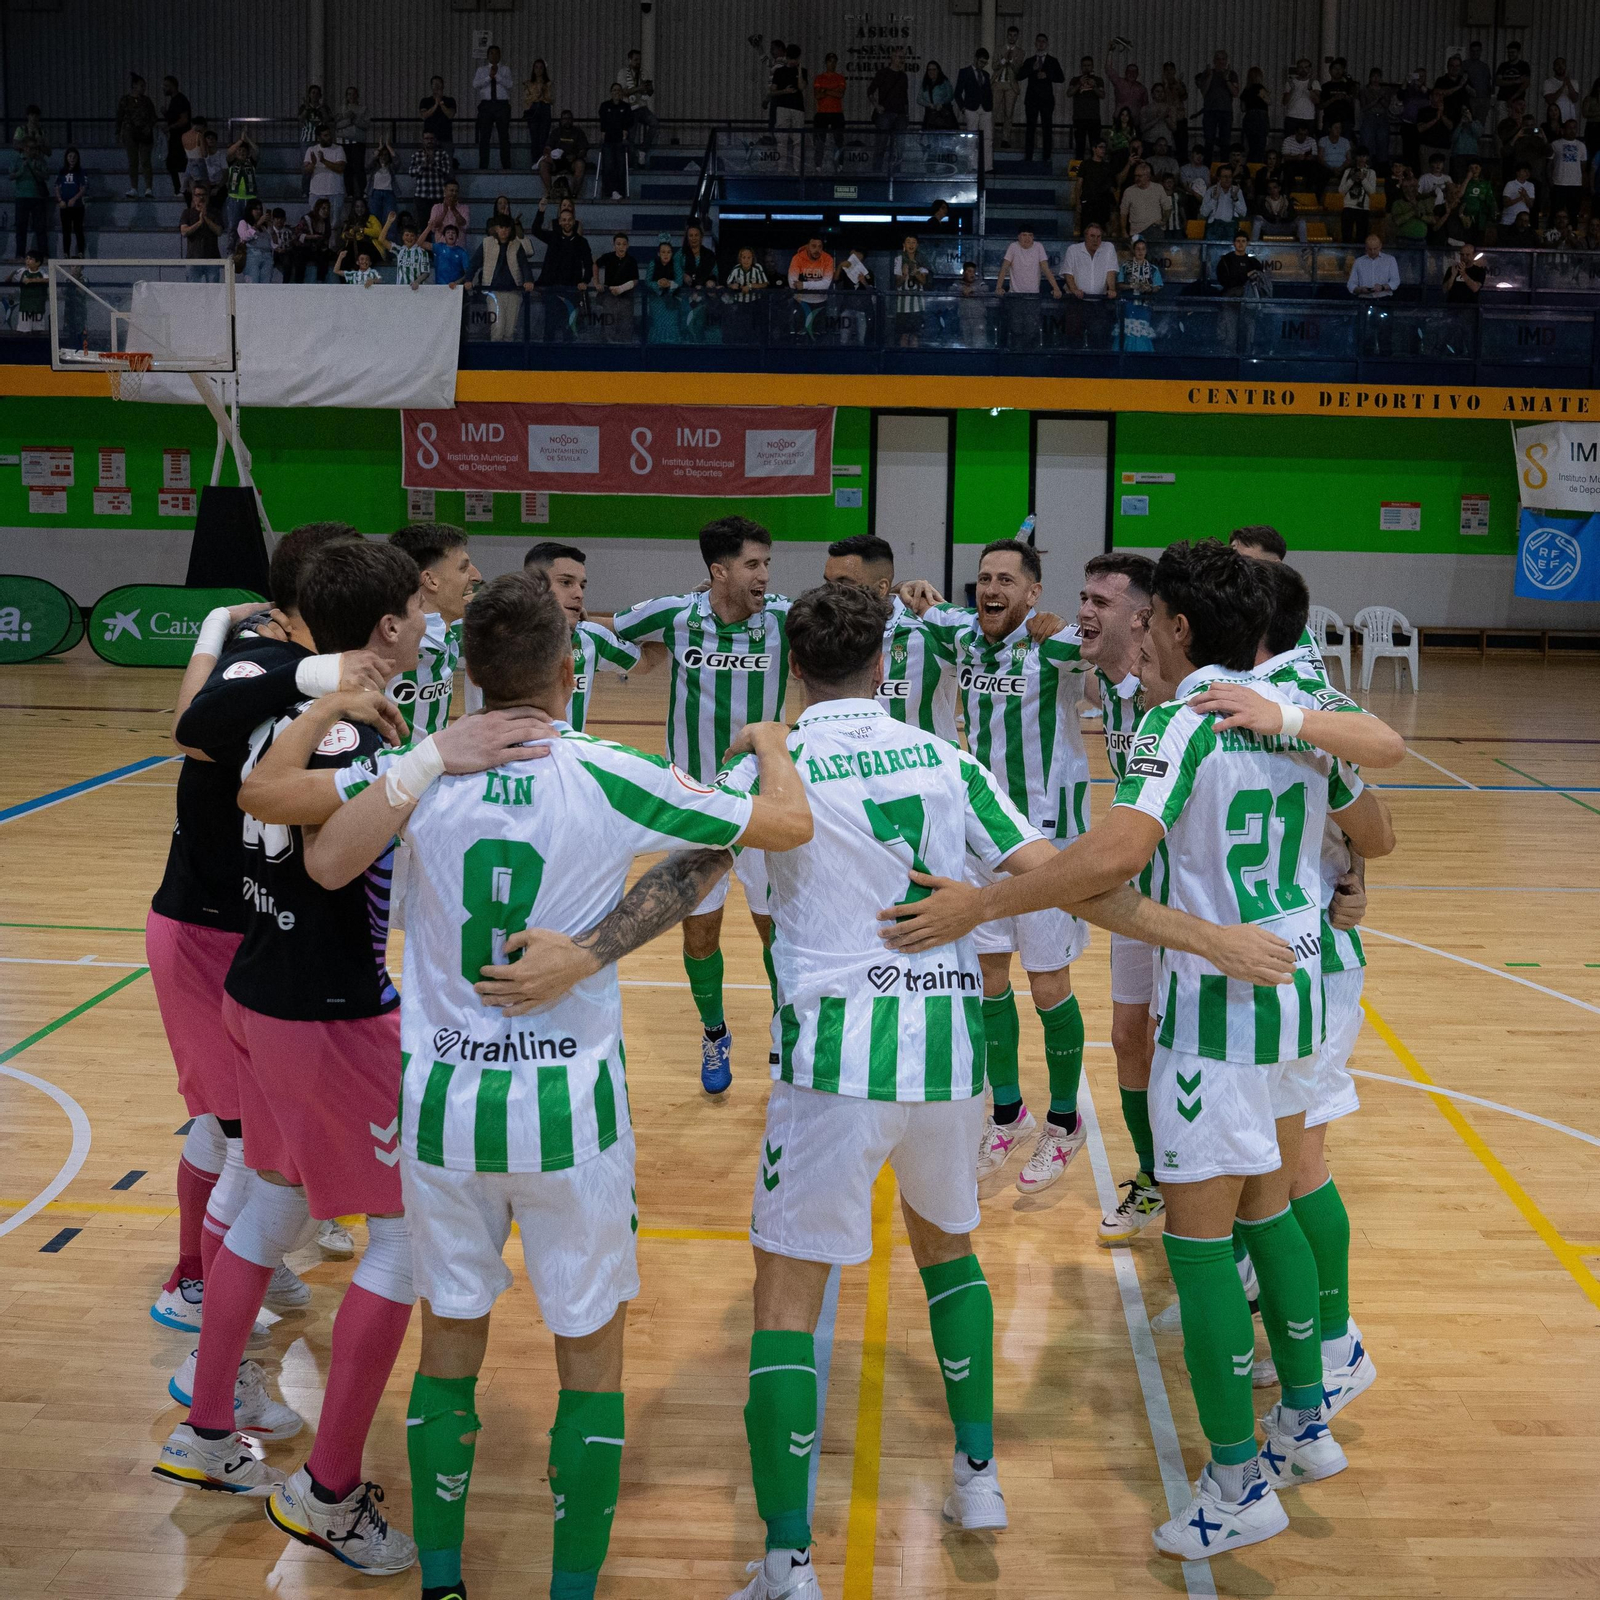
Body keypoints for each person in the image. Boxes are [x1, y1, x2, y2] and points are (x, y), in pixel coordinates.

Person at [882, 538, 1402, 1560]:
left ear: (1174, 624)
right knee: (1273, 1207)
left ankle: (1234, 1479)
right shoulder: (1290, 714)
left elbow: (1113, 855)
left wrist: (984, 899)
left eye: (1150, 612)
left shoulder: (1185, 722)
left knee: (1200, 1247)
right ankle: (1305, 1420)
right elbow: (1373, 831)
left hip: (1216, 1004)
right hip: (1293, 985)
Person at [301, 567, 808, 1600]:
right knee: (590, 1362)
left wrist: (430, 755)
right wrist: (590, 950)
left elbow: (324, 864)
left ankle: (443, 1584)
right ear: (569, 671)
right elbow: (769, 830)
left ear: (471, 674)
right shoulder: (606, 770)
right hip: (569, 1120)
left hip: (444, 1113)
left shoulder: (422, 771)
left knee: (450, 1345)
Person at [148, 540, 435, 1568]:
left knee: (269, 1197)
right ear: (390, 627)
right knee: (406, 1237)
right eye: (418, 602)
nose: (431, 612)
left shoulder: (281, 708)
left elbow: (224, 750)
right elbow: (326, 843)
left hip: (256, 991)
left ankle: (209, 1430)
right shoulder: (354, 731)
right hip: (329, 1013)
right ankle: (328, 1494)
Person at [901, 542, 1095, 1192]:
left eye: (1006, 580)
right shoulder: (965, 636)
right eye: (984, 579)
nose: (992, 588)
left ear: (1032, 593)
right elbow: (924, 611)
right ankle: (1008, 1112)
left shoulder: (1053, 647)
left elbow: (1100, 655)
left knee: (1047, 989)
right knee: (988, 980)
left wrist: (1070, 624)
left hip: (1043, 843)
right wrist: (916, 592)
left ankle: (1065, 1123)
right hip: (980, 837)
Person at [608, 520, 797, 1093]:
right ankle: (715, 1032)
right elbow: (607, 629)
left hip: (764, 801)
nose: (764, 575)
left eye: (767, 563)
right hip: (694, 803)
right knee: (700, 936)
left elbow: (862, 625)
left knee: (775, 930)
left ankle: (784, 1027)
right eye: (752, 565)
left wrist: (907, 593)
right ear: (719, 572)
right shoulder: (674, 614)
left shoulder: (787, 618)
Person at [823, 535, 958, 741]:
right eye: (828, 583)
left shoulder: (928, 633)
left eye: (844, 583)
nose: (832, 594)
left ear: (881, 587)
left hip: (923, 770)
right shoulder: (823, 632)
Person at [521, 542, 663, 725]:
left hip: (566, 753)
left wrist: (677, 620)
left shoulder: (591, 638)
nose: (579, 593)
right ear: (532, 585)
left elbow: (646, 661)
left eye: (582, 586)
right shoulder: (488, 635)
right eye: (566, 582)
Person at [530, 196, 593, 340]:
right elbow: (535, 230)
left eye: (569, 220)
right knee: (550, 325)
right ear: (559, 222)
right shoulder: (553, 237)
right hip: (552, 288)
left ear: (574, 222)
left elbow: (588, 264)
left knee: (569, 326)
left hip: (572, 289)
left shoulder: (582, 242)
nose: (567, 223)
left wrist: (585, 280)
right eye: (564, 220)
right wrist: (541, 210)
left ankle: (568, 357)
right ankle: (547, 357)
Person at [469, 216, 536, 340]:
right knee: (497, 328)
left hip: (513, 291)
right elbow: (474, 263)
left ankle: (506, 358)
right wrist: (468, 279)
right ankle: (495, 357)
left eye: (507, 228)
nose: (504, 230)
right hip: (493, 291)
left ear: (511, 229)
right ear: (495, 229)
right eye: (501, 227)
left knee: (510, 331)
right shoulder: (486, 243)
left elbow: (524, 265)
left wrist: (528, 280)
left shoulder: (517, 245)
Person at [996, 224, 1062, 349]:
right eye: (1024, 235)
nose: (1027, 238)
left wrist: (1056, 288)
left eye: (1030, 235)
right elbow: (1004, 267)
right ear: (1018, 237)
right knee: (1016, 329)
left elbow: (1046, 269)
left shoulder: (1038, 247)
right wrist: (999, 287)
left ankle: (1029, 356)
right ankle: (1017, 356)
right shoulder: (1013, 247)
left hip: (1033, 297)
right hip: (1015, 296)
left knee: (1031, 329)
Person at [1021, 34, 1065, 162]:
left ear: (1047, 44)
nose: (1041, 44)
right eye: (1039, 41)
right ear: (1035, 43)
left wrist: (1047, 75)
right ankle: (1028, 156)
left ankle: (1047, 156)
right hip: (1032, 99)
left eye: (1043, 41)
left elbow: (1061, 78)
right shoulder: (1030, 61)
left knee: (1047, 128)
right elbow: (1019, 76)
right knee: (1030, 128)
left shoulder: (1052, 61)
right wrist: (1031, 69)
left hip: (1046, 99)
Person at [593, 231, 641, 341]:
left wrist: (621, 288)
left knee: (626, 324)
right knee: (608, 324)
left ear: (628, 246)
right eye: (618, 244)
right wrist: (596, 282)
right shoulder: (608, 257)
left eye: (624, 244)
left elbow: (635, 280)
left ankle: (624, 348)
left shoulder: (631, 260)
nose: (621, 247)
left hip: (626, 297)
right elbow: (595, 264)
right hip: (609, 296)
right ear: (614, 245)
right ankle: (608, 348)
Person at [117, 72, 158, 198]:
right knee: (133, 161)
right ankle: (134, 187)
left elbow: (153, 117)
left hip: (144, 133)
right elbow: (119, 117)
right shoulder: (125, 100)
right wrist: (119, 133)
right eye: (141, 85)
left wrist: (148, 127)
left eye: (144, 86)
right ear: (134, 85)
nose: (143, 88)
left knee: (145, 161)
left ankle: (148, 188)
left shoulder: (146, 101)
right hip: (130, 133)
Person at [473, 43, 514, 170]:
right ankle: (483, 165)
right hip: (486, 104)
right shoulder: (481, 70)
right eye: (491, 53)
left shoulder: (505, 69)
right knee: (484, 136)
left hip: (501, 104)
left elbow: (509, 84)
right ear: (487, 55)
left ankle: (506, 165)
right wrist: (488, 77)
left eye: (496, 53)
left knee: (504, 136)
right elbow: (476, 84)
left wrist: (497, 76)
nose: (494, 55)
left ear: (500, 55)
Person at [1118, 238, 1162, 351]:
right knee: (1127, 330)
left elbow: (1157, 286)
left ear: (1146, 251)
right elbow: (1119, 284)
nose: (1140, 252)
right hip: (1128, 304)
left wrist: (1149, 288)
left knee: (1142, 331)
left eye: (1143, 249)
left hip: (1145, 305)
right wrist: (1131, 286)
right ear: (1133, 250)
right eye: (1138, 249)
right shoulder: (1125, 267)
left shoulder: (1153, 269)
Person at [868, 46, 912, 160]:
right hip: (886, 113)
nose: (901, 60)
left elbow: (905, 96)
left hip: (900, 114)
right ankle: (877, 173)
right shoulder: (883, 73)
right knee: (881, 145)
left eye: (903, 57)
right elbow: (870, 91)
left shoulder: (903, 76)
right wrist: (876, 106)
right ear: (892, 57)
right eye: (899, 57)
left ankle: (897, 173)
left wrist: (906, 115)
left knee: (900, 148)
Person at [1196, 50, 1239, 161]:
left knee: (1225, 141)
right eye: (1218, 59)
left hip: (1226, 112)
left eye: (1223, 59)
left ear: (1226, 61)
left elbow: (1235, 93)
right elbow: (1203, 92)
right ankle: (1207, 166)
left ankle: (1224, 166)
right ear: (1214, 61)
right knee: (1209, 140)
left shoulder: (1232, 74)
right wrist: (1209, 76)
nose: (1221, 62)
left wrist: (1227, 79)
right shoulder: (1208, 73)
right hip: (1210, 111)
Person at [955, 49, 994, 167]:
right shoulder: (964, 72)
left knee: (987, 138)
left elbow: (988, 93)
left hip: (985, 108)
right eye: (981, 62)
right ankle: (972, 165)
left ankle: (987, 166)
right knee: (971, 138)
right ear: (975, 59)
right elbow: (957, 92)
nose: (983, 65)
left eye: (985, 63)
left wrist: (990, 107)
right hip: (971, 108)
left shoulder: (986, 74)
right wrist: (963, 108)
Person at [539, 110, 590, 199]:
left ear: (572, 120)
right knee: (543, 164)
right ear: (561, 120)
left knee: (580, 165)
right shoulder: (555, 132)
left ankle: (574, 194)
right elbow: (548, 148)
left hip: (572, 161)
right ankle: (550, 192)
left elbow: (583, 150)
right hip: (557, 161)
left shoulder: (578, 132)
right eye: (565, 118)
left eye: (569, 118)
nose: (567, 121)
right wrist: (550, 155)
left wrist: (576, 156)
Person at [409, 129, 458, 217]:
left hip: (438, 196)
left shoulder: (442, 154)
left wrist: (434, 163)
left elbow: (446, 171)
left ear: (435, 140)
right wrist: (423, 166)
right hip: (421, 195)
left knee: (438, 224)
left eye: (431, 138)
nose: (429, 141)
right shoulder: (417, 155)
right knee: (424, 225)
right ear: (423, 140)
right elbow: (411, 172)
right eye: (427, 138)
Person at [597, 82, 634, 198]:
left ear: (621, 92)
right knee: (608, 166)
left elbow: (628, 122)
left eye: (618, 90)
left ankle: (620, 191)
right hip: (608, 140)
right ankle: (608, 191)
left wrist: (625, 131)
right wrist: (602, 135)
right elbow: (603, 121)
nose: (616, 92)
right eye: (614, 90)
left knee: (621, 166)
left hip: (620, 140)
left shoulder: (626, 107)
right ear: (611, 92)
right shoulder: (605, 106)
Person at [1549, 119, 1588, 222]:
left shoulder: (1581, 146)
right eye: (1569, 128)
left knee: (1573, 214)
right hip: (1559, 183)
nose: (1572, 130)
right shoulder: (1555, 144)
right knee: (1555, 212)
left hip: (1575, 184)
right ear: (1563, 129)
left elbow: (1583, 166)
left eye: (1574, 128)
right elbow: (1549, 164)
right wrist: (1550, 182)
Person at [892, 233, 928, 346]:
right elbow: (897, 283)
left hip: (918, 304)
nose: (911, 245)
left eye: (913, 242)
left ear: (917, 245)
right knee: (903, 335)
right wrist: (903, 274)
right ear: (904, 244)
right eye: (908, 242)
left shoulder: (922, 259)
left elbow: (924, 281)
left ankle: (913, 359)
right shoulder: (898, 259)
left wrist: (915, 271)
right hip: (902, 305)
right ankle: (903, 358)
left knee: (915, 335)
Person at [1068, 53, 1105, 160]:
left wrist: (1094, 86)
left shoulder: (1098, 80)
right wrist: (1079, 84)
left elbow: (1102, 95)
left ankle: (1095, 170)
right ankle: (1078, 171)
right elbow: (1069, 93)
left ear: (1092, 67)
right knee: (1080, 146)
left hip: (1094, 118)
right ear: (1081, 67)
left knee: (1095, 146)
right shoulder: (1075, 80)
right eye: (1084, 65)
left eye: (1089, 65)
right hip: (1079, 118)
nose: (1086, 68)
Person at [813, 52, 848, 165]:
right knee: (819, 140)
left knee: (839, 140)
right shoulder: (819, 78)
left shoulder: (840, 78)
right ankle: (818, 165)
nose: (832, 64)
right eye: (829, 61)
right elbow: (817, 95)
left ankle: (839, 164)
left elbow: (840, 94)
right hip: (822, 112)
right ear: (826, 62)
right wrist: (833, 90)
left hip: (836, 112)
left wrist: (825, 90)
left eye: (834, 62)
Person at [1075, 137, 1115, 232]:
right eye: (1101, 147)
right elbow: (1079, 185)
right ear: (1094, 148)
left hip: (1103, 204)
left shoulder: (1107, 166)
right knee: (1086, 230)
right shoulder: (1085, 164)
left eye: (1104, 147)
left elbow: (1111, 186)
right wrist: (1078, 203)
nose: (1103, 150)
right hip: (1088, 202)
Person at [620, 48, 657, 152]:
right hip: (629, 108)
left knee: (654, 123)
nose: (638, 62)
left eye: (639, 60)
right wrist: (639, 88)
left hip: (642, 107)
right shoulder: (622, 73)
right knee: (631, 136)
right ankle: (631, 164)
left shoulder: (644, 72)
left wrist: (649, 89)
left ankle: (644, 148)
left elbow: (650, 91)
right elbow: (624, 92)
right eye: (636, 60)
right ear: (629, 60)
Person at [161, 76, 192, 196]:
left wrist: (170, 127)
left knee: (176, 163)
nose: (164, 88)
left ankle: (181, 189)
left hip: (180, 137)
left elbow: (184, 120)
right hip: (176, 137)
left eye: (166, 86)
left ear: (172, 86)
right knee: (173, 163)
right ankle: (180, 189)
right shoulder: (175, 100)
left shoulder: (180, 100)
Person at [54, 147, 87, 259]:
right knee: (66, 230)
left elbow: (83, 188)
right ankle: (66, 253)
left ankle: (81, 252)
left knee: (78, 229)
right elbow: (57, 187)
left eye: (74, 157)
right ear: (66, 158)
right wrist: (60, 200)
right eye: (70, 157)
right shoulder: (62, 171)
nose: (72, 159)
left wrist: (74, 199)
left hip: (77, 206)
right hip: (65, 206)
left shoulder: (80, 172)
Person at [1338, 148, 1377, 242]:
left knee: (1361, 237)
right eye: (1359, 156)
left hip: (1363, 207)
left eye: (1363, 156)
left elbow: (1372, 191)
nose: (1361, 159)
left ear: (1367, 158)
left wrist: (1363, 179)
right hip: (1348, 206)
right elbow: (1341, 190)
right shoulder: (1348, 171)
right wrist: (1352, 179)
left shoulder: (1371, 172)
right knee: (1346, 236)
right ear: (1355, 157)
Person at [994, 26, 1024, 149]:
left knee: (1008, 113)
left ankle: (1005, 139)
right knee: (994, 111)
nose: (1012, 38)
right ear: (1007, 35)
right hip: (998, 82)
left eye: (1014, 35)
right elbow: (994, 66)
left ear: (1017, 37)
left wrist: (1011, 62)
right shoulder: (999, 49)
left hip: (1011, 83)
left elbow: (1018, 70)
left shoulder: (1021, 52)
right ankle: (990, 137)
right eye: (1010, 35)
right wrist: (1002, 61)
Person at [1119, 160, 1166, 238]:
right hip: (1136, 231)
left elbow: (1167, 207)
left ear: (1148, 176)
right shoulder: (1128, 191)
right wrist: (1123, 231)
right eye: (1135, 176)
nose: (1136, 178)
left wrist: (1164, 221)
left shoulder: (1158, 188)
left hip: (1155, 230)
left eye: (1139, 176)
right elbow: (1123, 213)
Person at [1359, 67, 1394, 169]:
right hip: (1369, 117)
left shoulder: (1385, 90)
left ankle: (1382, 166)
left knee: (1383, 142)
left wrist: (1381, 99)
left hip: (1382, 117)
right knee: (1367, 141)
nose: (1376, 79)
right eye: (1373, 76)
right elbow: (1364, 107)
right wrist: (1376, 100)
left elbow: (1387, 105)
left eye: (1378, 77)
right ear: (1370, 78)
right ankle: (1366, 165)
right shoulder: (1364, 90)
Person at [303, 125, 346, 209]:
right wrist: (313, 163)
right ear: (319, 138)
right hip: (316, 193)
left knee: (334, 222)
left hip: (335, 192)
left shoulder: (338, 149)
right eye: (325, 135)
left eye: (330, 134)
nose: (329, 137)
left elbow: (340, 168)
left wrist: (323, 161)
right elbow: (306, 171)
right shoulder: (311, 149)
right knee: (316, 221)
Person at [179, 180, 222, 261]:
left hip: (212, 258)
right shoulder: (187, 213)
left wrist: (205, 218)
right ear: (193, 197)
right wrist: (199, 223)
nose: (201, 198)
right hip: (193, 258)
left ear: (208, 196)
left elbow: (219, 231)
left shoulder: (215, 212)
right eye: (198, 195)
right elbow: (184, 232)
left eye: (204, 195)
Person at [1347, 232, 1399, 298]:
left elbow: (1395, 281)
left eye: (1375, 248)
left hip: (1384, 298)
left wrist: (1382, 287)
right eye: (1370, 249)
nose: (1373, 252)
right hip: (1364, 298)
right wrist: (1360, 290)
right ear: (1366, 247)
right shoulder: (1359, 261)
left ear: (1380, 246)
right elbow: (1351, 284)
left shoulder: (1390, 260)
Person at [1201, 165, 1248, 238]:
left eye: (1229, 177)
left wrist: (1235, 198)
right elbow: (1203, 213)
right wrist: (1214, 199)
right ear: (1218, 178)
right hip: (1214, 227)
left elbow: (1243, 213)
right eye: (1224, 176)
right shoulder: (1211, 190)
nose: (1227, 179)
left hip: (1231, 227)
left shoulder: (1237, 191)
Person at [236, 199, 275, 281]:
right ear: (250, 210)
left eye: (260, 209)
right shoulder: (244, 222)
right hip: (252, 254)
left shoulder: (265, 226)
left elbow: (274, 241)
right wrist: (257, 225)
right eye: (256, 209)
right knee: (253, 280)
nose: (258, 212)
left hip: (267, 254)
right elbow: (244, 236)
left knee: (266, 282)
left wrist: (270, 225)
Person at [1238, 66, 1270, 163]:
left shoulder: (1246, 90)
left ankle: (1250, 167)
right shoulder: (1261, 89)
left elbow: (1243, 108)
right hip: (1261, 117)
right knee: (1260, 147)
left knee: (1251, 147)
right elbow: (1268, 101)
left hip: (1250, 117)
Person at [920, 60, 957, 130]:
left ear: (938, 70)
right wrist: (929, 105)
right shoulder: (925, 83)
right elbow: (919, 99)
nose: (931, 72)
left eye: (934, 69)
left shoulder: (945, 82)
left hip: (943, 115)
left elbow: (950, 96)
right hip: (930, 115)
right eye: (929, 70)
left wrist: (941, 103)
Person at [1500, 160, 1536, 228]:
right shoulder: (1510, 184)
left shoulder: (1530, 185)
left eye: (1528, 171)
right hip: (1509, 219)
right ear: (1518, 172)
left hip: (1524, 221)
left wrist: (1525, 195)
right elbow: (1505, 203)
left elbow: (1530, 205)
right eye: (1525, 171)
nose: (1527, 173)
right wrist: (1519, 198)